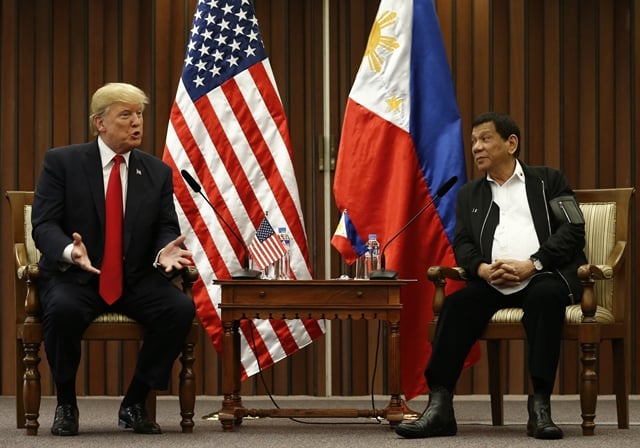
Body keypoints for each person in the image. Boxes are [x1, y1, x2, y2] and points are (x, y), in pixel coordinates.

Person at [395, 112, 587, 440]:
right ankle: (440, 406)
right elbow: (464, 244)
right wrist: (482, 269)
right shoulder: (469, 194)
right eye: (473, 142)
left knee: (546, 298)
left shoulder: (549, 180)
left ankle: (540, 407)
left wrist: (534, 263)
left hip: (543, 274)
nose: (476, 148)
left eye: (485, 139)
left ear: (511, 143)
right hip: (493, 280)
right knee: (456, 307)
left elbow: (574, 229)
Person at [31, 82, 196, 436]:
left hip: (135, 277)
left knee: (179, 309)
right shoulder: (62, 162)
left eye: (139, 114)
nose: (136, 122)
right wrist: (68, 250)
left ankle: (135, 402)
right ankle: (66, 403)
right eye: (126, 115)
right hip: (77, 277)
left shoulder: (156, 172)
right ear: (100, 123)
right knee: (62, 310)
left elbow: (166, 226)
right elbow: (43, 224)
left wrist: (165, 250)